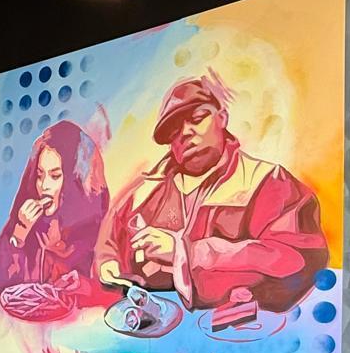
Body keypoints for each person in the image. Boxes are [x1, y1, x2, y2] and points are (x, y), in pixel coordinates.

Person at [94, 71, 328, 313]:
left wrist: (185, 252)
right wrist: (107, 263)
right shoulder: (146, 190)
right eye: (173, 131)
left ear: (222, 118)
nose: (185, 133)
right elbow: (109, 240)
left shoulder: (268, 181)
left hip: (242, 326)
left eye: (197, 118)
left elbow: (297, 259)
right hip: (154, 324)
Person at [0, 120, 110, 308]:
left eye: (55, 176)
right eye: (40, 175)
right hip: (27, 324)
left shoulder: (96, 225)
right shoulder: (28, 220)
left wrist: (81, 284)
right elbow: (5, 289)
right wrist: (18, 237)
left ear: (75, 180)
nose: (44, 185)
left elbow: (113, 292)